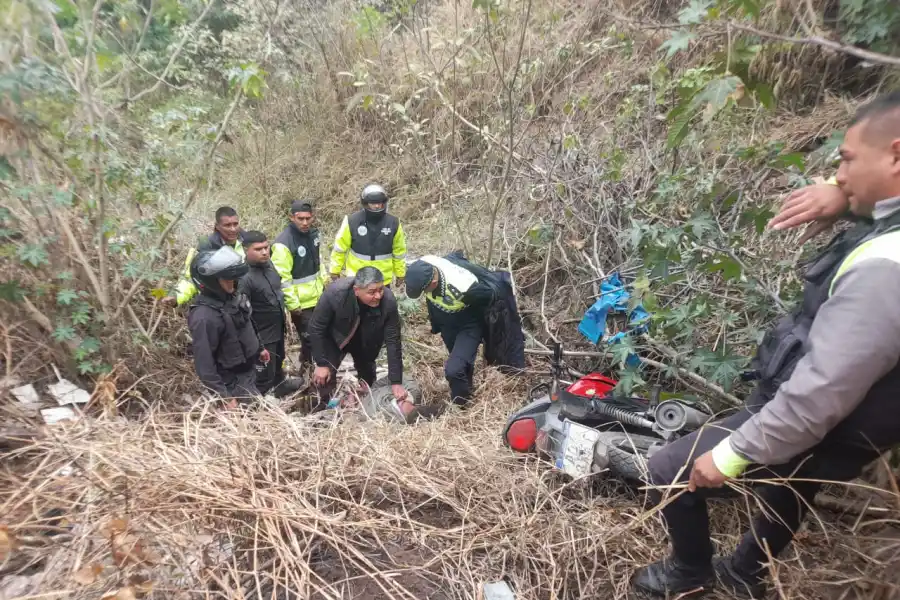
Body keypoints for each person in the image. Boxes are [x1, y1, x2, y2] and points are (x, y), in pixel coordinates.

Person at [632, 92, 900, 599]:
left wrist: (733, 453)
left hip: (831, 417)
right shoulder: (890, 232)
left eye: (844, 160)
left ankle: (691, 572)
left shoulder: (885, 267)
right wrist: (846, 195)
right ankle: (746, 573)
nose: (836, 174)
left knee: (667, 468)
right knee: (795, 479)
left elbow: (820, 396)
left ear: (894, 155)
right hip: (860, 423)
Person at [404, 252, 525, 407]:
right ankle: (466, 390)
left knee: (453, 370)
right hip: (445, 320)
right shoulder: (422, 264)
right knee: (461, 362)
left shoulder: (463, 286)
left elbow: (489, 299)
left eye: (424, 290)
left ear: (433, 282)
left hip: (468, 322)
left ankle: (461, 405)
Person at [307, 266, 410, 415]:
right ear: (356, 290)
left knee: (368, 377)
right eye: (371, 292)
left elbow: (393, 341)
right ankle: (320, 411)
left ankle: (364, 407)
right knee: (325, 378)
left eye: (380, 289)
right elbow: (316, 327)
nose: (378, 296)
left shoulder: (388, 301)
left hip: (366, 340)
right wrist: (321, 363)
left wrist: (396, 382)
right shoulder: (335, 293)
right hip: (336, 338)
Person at [186, 246, 269, 408]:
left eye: (232, 279)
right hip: (232, 381)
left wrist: (260, 348)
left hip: (248, 369)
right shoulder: (204, 317)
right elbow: (204, 364)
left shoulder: (232, 297)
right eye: (226, 280)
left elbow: (247, 323)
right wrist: (223, 397)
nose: (232, 284)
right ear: (211, 282)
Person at [238, 230, 304, 397]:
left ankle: (280, 385)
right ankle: (259, 404)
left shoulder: (269, 265)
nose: (265, 252)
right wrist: (254, 342)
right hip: (261, 334)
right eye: (258, 249)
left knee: (279, 360)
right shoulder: (244, 278)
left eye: (266, 247)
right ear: (246, 250)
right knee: (263, 374)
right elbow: (242, 313)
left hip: (277, 327)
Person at [270, 200, 326, 371]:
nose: (304, 223)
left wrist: (325, 284)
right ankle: (308, 369)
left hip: (319, 297)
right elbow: (283, 278)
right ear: (291, 217)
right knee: (310, 338)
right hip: (301, 303)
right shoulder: (283, 243)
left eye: (308, 218)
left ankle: (310, 363)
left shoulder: (314, 235)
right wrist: (293, 305)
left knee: (320, 335)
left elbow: (318, 262)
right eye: (300, 218)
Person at [328, 184, 407, 288]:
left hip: (383, 278)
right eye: (373, 203)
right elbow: (339, 248)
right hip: (357, 277)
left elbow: (399, 251)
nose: (377, 206)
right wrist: (334, 270)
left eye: (379, 202)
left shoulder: (393, 223)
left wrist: (400, 274)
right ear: (365, 203)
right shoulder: (351, 221)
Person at [164, 206, 245, 307]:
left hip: (243, 302)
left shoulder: (246, 241)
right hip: (217, 304)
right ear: (217, 226)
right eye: (227, 225)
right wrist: (176, 296)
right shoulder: (205, 246)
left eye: (235, 224)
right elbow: (190, 278)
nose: (233, 229)